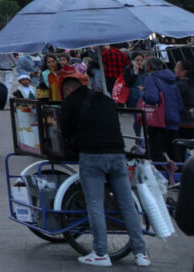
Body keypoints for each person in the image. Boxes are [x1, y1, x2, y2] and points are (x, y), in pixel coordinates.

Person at [59, 70, 150, 267]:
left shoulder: (70, 102)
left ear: (68, 90)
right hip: (118, 154)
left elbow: (63, 129)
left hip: (92, 156)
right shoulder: (105, 99)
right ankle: (141, 253)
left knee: (95, 204)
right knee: (127, 204)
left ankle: (100, 252)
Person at [140, 57, 184, 166]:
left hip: (159, 120)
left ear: (149, 67)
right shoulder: (172, 79)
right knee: (175, 154)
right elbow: (180, 102)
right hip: (174, 119)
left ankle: (162, 177)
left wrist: (142, 93)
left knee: (155, 153)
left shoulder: (151, 78)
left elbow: (152, 97)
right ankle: (178, 177)